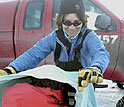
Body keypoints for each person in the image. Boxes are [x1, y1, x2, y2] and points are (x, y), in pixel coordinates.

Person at [0, 0, 110, 106]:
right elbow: (33, 54)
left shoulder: (89, 36)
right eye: (67, 22)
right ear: (60, 21)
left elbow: (101, 53)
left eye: (77, 23)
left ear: (83, 22)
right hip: (62, 84)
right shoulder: (55, 37)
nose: (72, 28)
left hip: (83, 84)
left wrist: (95, 68)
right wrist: (12, 68)